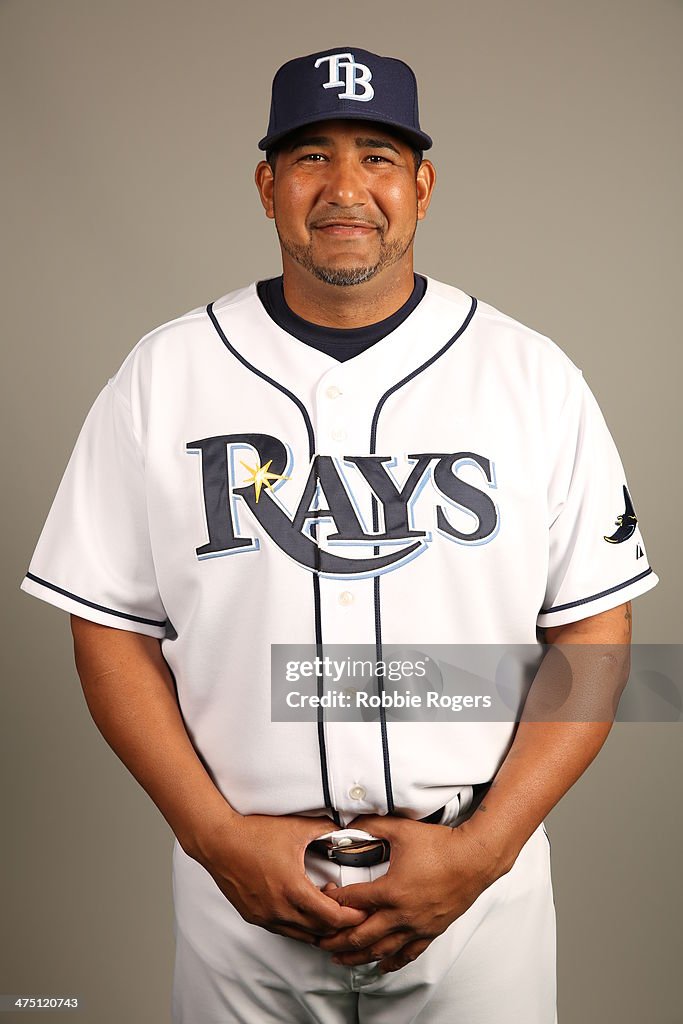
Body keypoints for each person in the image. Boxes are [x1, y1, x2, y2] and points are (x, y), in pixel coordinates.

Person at [20, 46, 659, 1023]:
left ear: (422, 186)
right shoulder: (166, 374)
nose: (345, 186)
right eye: (312, 156)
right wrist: (210, 837)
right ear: (267, 185)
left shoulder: (530, 377)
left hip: (474, 897)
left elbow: (594, 640)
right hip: (241, 894)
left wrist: (482, 852)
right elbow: (106, 628)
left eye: (378, 155)